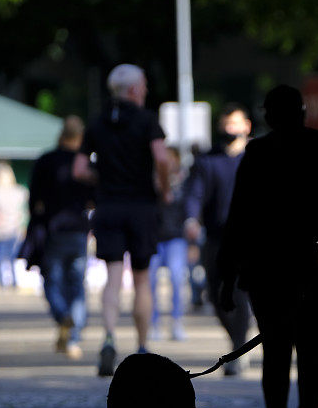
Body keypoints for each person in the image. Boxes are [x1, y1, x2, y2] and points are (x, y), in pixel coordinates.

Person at [218, 85, 318, 408]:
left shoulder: (258, 152)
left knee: (275, 352)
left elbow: (239, 217)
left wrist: (227, 273)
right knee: (312, 351)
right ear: (302, 113)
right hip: (316, 267)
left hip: (268, 268)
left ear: (269, 116)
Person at [73, 63, 171, 376]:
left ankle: (109, 338)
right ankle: (142, 347)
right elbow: (162, 158)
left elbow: (78, 170)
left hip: (108, 207)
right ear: (133, 90)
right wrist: (164, 189)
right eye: (143, 85)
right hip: (142, 206)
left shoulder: (98, 122)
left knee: (113, 275)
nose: (145, 90)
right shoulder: (146, 120)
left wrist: (101, 179)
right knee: (141, 278)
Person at [185, 103, 253, 375]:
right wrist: (190, 219)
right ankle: (238, 342)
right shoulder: (207, 161)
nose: (230, 130)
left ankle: (238, 350)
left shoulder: (256, 158)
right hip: (216, 238)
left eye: (235, 124)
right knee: (216, 295)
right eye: (226, 124)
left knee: (239, 292)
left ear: (247, 126)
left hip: (249, 239)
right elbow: (194, 195)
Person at [29, 116, 94, 359]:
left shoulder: (46, 160)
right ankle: (73, 336)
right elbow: (92, 196)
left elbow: (34, 197)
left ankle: (61, 315)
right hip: (78, 228)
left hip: (53, 228)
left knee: (51, 280)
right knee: (76, 283)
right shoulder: (84, 163)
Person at [148, 147, 189, 341]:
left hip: (176, 238)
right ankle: (153, 323)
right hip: (154, 237)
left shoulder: (184, 183)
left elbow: (190, 211)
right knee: (150, 282)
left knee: (176, 279)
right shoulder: (149, 182)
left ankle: (176, 321)